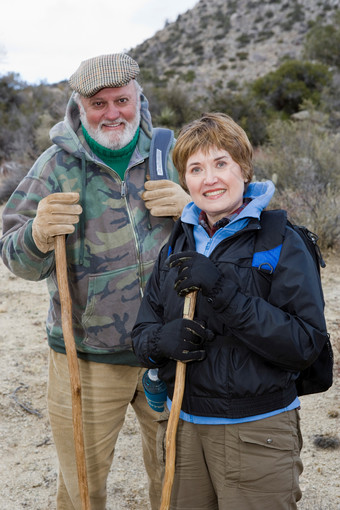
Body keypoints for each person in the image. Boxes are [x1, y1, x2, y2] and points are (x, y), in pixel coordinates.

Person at [0, 53, 190, 510]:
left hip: (172, 348)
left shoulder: (172, 155)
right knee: (83, 486)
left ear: (138, 99)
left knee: (178, 478)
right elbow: (13, 256)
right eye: (98, 103)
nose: (111, 113)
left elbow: (225, 235)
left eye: (121, 100)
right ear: (79, 106)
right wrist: (37, 233)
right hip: (87, 356)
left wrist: (194, 209)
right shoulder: (54, 167)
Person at [132, 112, 329, 510]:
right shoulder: (176, 244)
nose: (210, 179)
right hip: (182, 429)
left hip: (257, 432)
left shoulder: (282, 242)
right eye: (196, 168)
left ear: (243, 167)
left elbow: (305, 345)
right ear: (184, 180)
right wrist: (160, 341)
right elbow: (141, 332)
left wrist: (222, 290)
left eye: (221, 163)